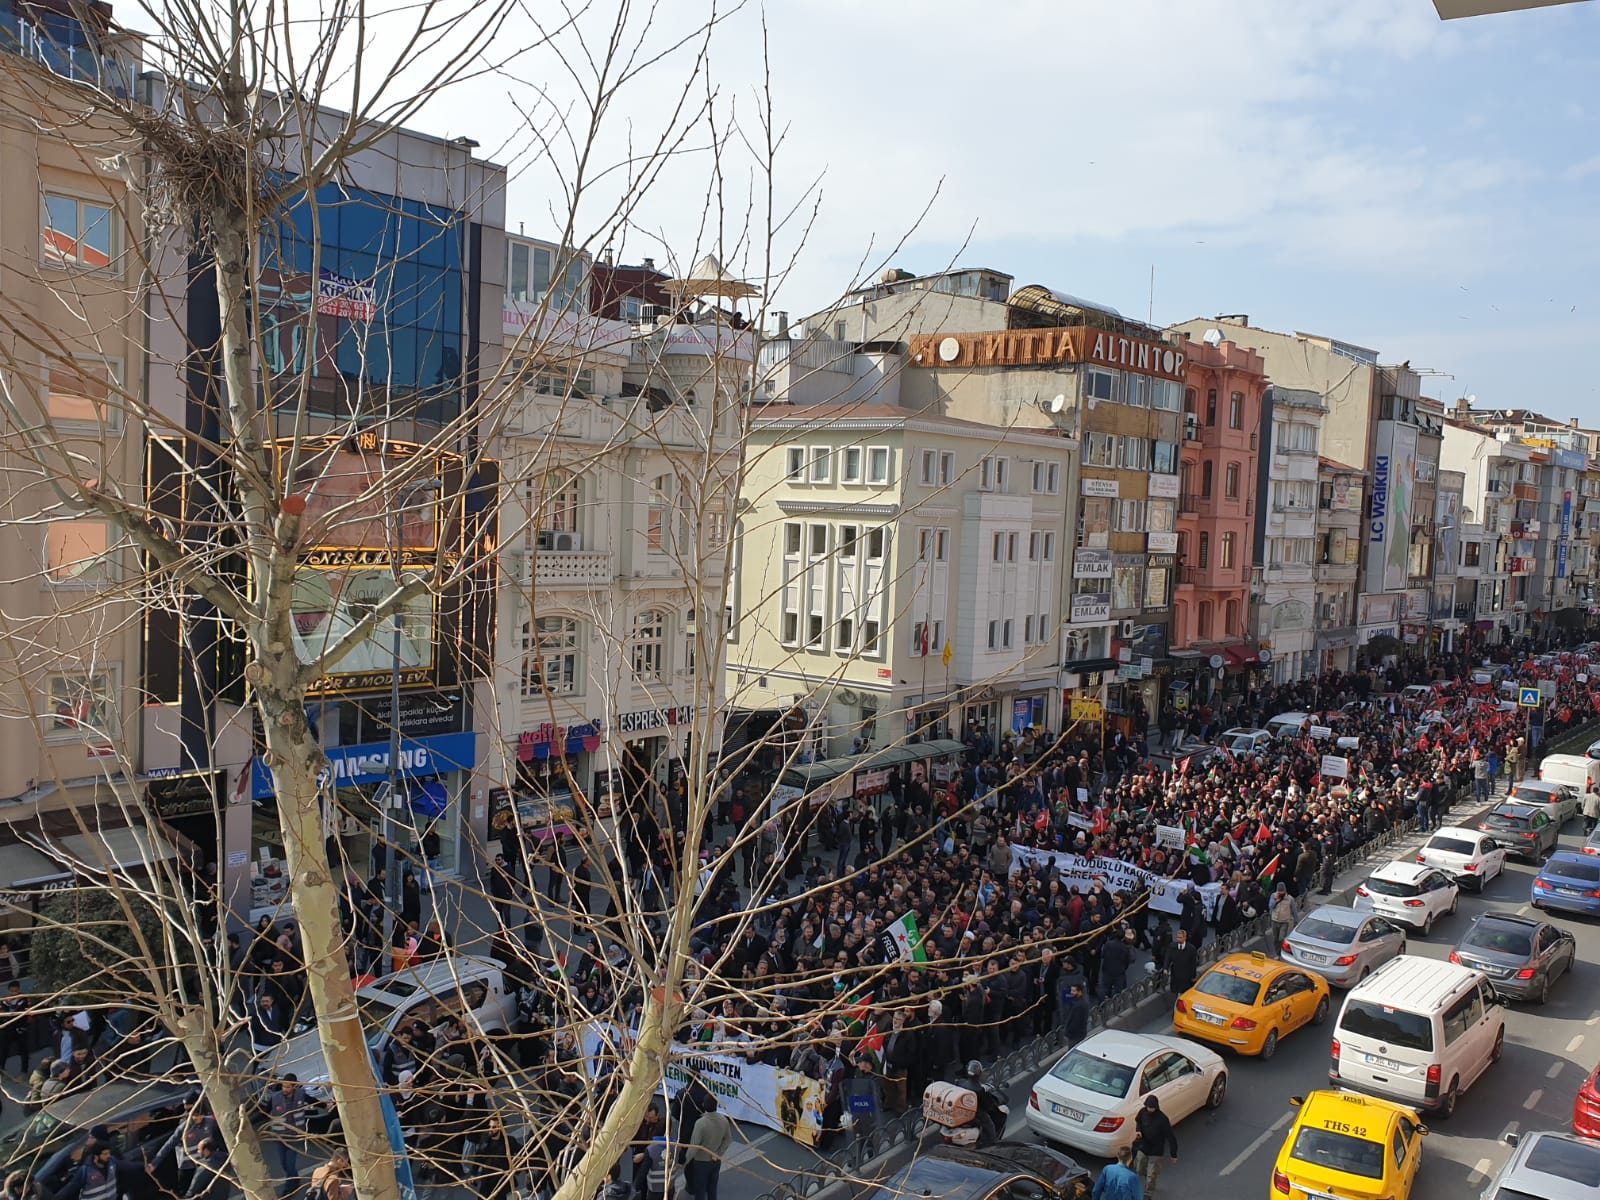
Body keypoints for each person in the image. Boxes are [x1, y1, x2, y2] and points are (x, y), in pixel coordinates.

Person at [683, 1098, 733, 1200]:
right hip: (716, 1160)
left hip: (701, 1162)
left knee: (700, 1191)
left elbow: (694, 1146)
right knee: (712, 1189)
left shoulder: (701, 1123)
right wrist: (718, 1153)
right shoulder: (724, 1120)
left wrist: (685, 1162)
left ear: (703, 1105)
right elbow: (728, 1140)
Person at [1132, 1094, 1178, 1197]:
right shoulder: (1142, 1112)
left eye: (1152, 1108)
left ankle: (1148, 1193)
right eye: (1148, 1107)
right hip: (1143, 1147)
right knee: (1139, 1169)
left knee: (1150, 1175)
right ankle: (1151, 1179)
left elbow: (1171, 1137)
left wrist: (1173, 1154)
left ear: (1156, 1107)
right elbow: (1138, 1121)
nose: (1150, 1109)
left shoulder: (1162, 1119)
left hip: (1156, 1151)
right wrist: (1138, 1130)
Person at [1166, 928, 1198, 996]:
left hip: (1185, 976)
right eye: (1178, 937)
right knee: (1176, 992)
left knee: (1183, 993)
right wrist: (1165, 968)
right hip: (1175, 974)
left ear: (1185, 938)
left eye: (1180, 937)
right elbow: (1168, 958)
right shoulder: (1172, 946)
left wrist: (1193, 976)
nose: (1178, 939)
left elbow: (1193, 963)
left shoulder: (1191, 949)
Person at [1268, 884, 1297, 953]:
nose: (1281, 894)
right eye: (1279, 892)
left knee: (1281, 938)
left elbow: (1294, 910)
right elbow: (1270, 906)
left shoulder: (1290, 899)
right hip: (1274, 920)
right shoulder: (1273, 896)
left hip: (1284, 921)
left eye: (1282, 893)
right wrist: (1276, 901)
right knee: (1275, 938)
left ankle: (1282, 952)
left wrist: (1296, 921)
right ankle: (1277, 952)